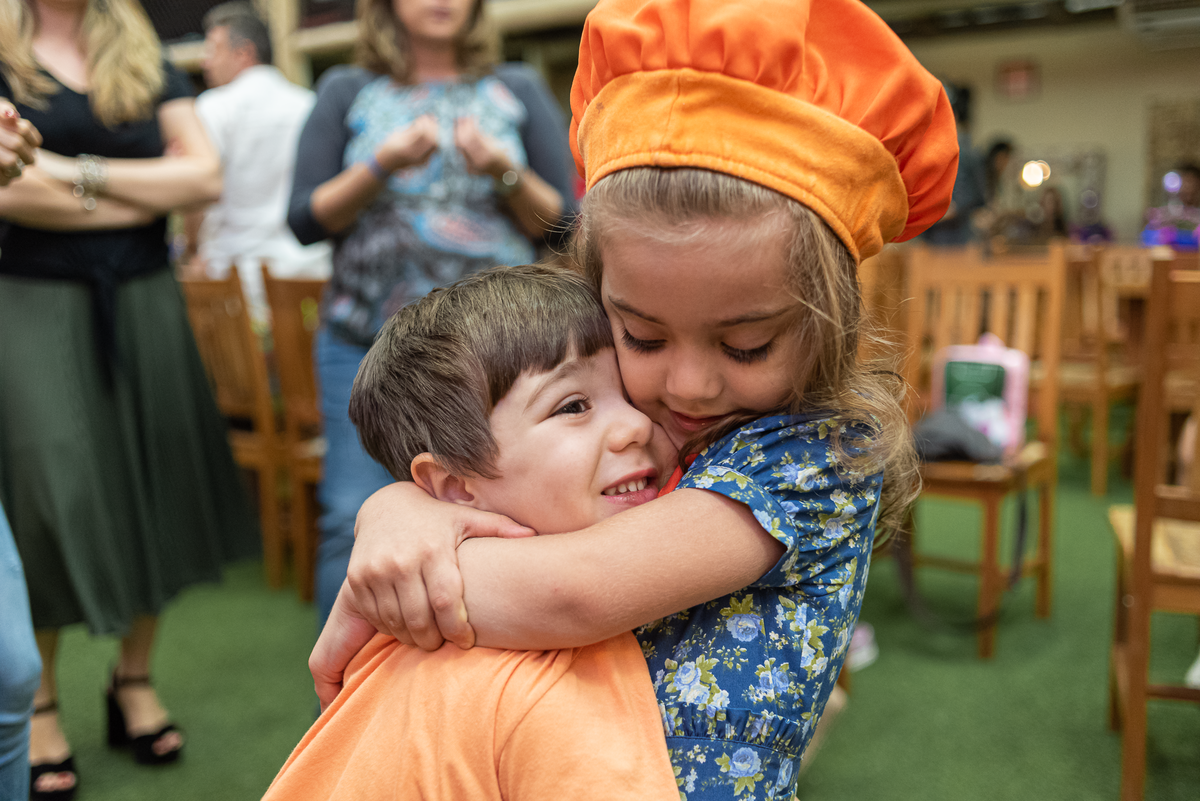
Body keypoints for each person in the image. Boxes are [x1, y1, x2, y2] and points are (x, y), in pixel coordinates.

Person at [311, 0, 959, 795]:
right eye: (643, 337)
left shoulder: (817, 456)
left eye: (747, 346)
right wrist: (400, 510)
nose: (687, 385)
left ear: (830, 319)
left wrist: (389, 578)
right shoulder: (639, 413)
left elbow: (573, 590)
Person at [264, 264, 679, 801]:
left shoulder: (411, 616)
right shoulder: (545, 686)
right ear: (456, 486)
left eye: (633, 395)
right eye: (573, 406)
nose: (637, 425)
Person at [0, 1, 259, 797]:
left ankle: (132, 678)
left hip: (147, 297)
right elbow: (8, 194)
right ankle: (40, 698)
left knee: (159, 478)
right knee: (50, 491)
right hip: (32, 299)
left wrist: (66, 174)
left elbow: (205, 177)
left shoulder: (143, 54)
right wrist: (144, 191)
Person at [286, 0, 576, 631]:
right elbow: (305, 218)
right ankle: (348, 684)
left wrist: (500, 169)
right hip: (364, 342)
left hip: (498, 353)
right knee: (349, 517)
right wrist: (381, 164)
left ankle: (487, 671)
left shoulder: (516, 86)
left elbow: (563, 225)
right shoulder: (347, 90)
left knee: (506, 509)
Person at [181, 1, 331, 324]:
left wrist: (191, 249)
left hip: (237, 282)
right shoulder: (308, 104)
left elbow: (194, 190)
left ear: (244, 52)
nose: (204, 61)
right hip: (308, 275)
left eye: (213, 49)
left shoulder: (214, 107)